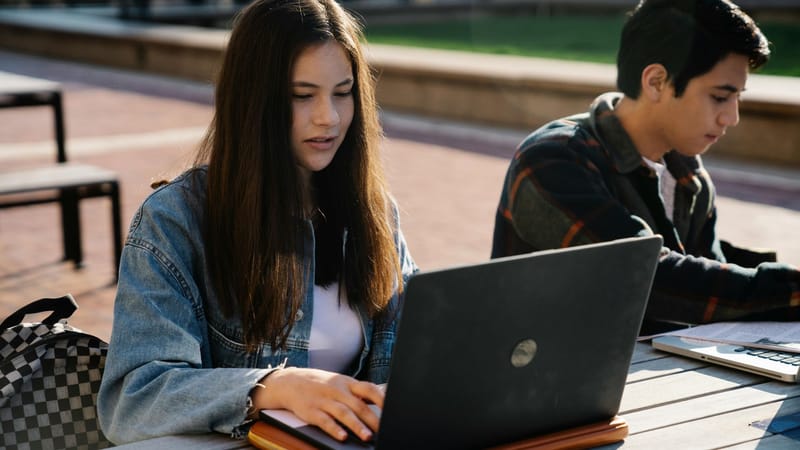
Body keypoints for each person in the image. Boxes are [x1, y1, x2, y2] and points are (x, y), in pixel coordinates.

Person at [97, 0, 417, 444]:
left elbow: (414, 348)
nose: (330, 117)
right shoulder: (176, 221)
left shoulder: (376, 212)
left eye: (342, 92)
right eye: (301, 96)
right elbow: (131, 399)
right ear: (252, 102)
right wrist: (271, 388)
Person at [491, 0, 800, 334]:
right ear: (656, 82)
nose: (732, 118)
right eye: (720, 97)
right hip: (539, 375)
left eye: (738, 97)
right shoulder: (552, 160)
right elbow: (645, 277)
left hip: (652, 371)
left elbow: (714, 287)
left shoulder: (688, 177)